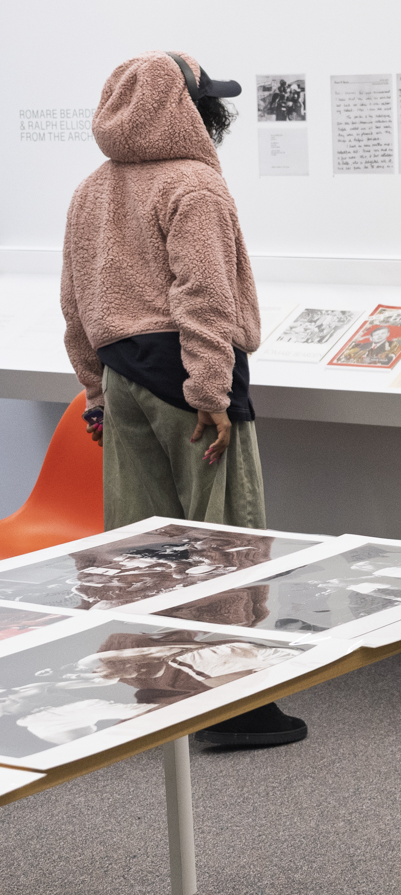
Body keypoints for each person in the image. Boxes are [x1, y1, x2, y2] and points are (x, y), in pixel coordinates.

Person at [59, 50, 305, 751]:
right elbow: (204, 295)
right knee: (225, 537)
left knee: (144, 543)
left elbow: (76, 304)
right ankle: (233, 705)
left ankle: (159, 683)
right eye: (208, 100)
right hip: (186, 381)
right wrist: (211, 392)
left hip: (121, 379)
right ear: (186, 107)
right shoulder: (194, 185)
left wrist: (94, 392)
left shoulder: (90, 190)